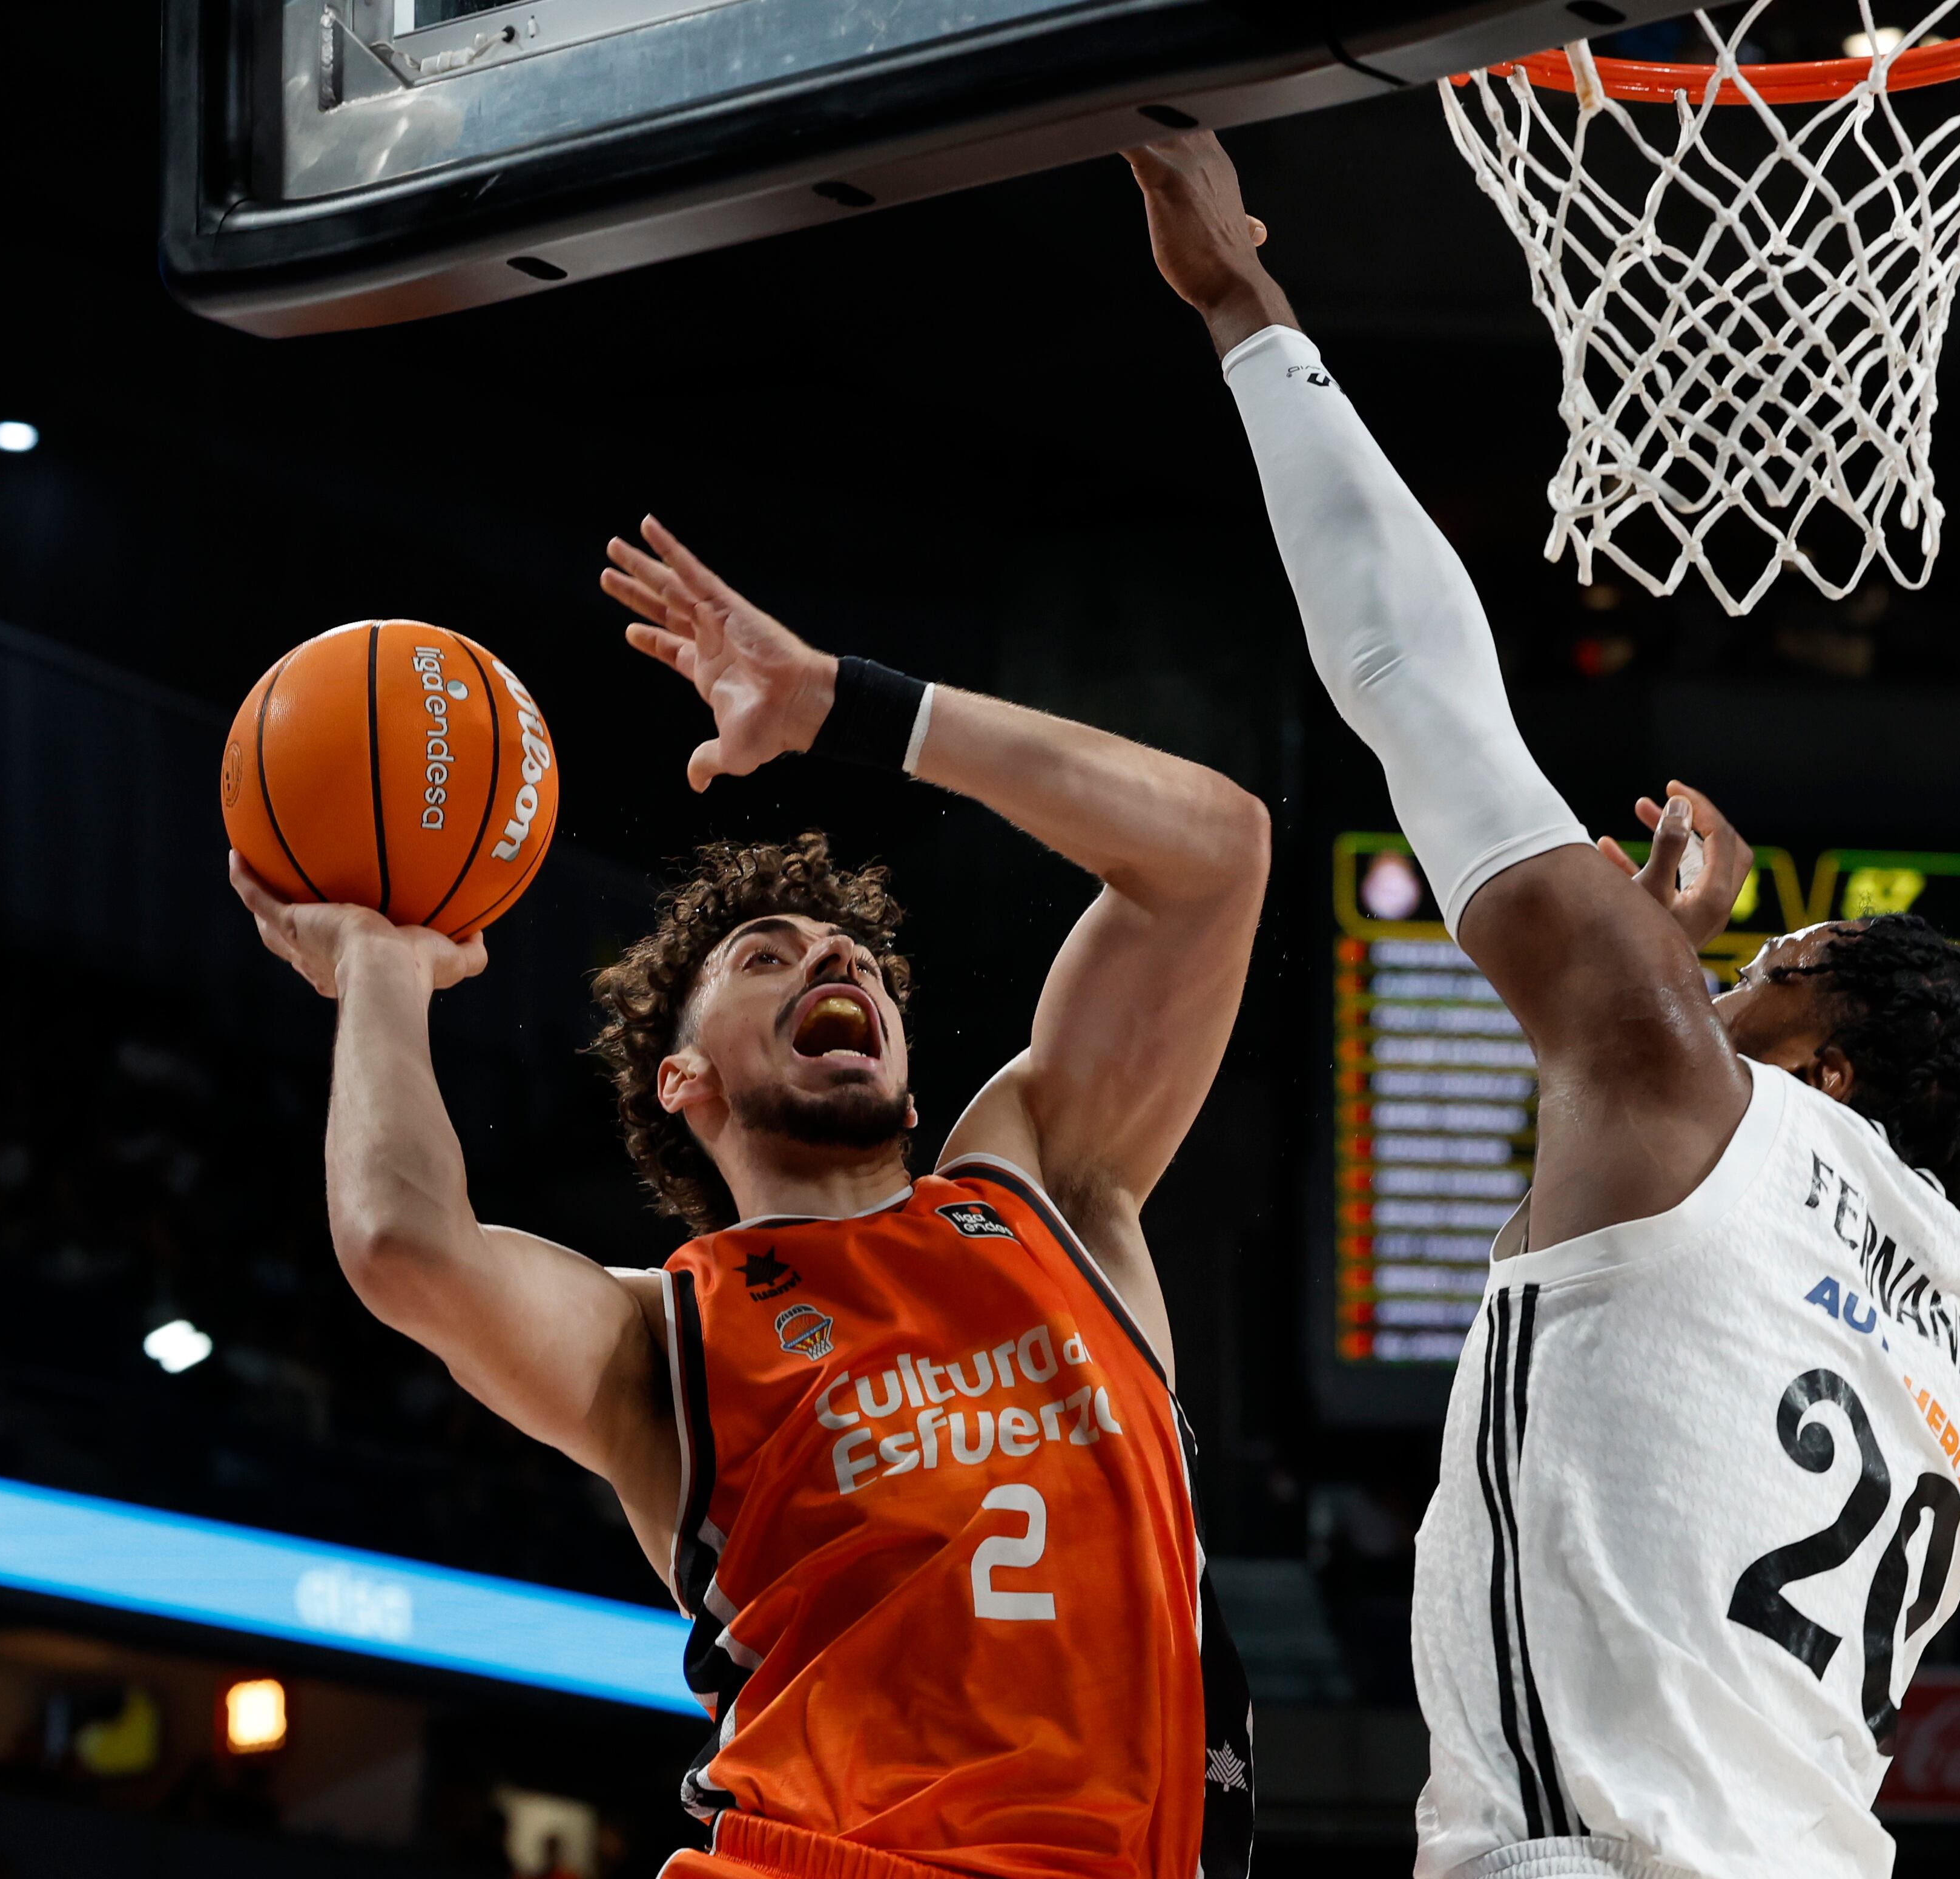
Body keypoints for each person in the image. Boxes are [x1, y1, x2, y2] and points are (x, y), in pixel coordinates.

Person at [1126, 134, 1960, 1879]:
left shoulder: (1695, 1102)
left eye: (1763, 972)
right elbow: (1641, 1334)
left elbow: (1409, 673)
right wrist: (1672, 993)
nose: (1715, 983)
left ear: (1832, 1067)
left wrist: (1244, 303)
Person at [226, 515, 1270, 1879]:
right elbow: (402, 1242)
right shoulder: (660, 1341)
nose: (834, 960)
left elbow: (1214, 856)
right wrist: (378, 967)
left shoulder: (1043, 1189)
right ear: (684, 1080)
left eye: (857, 959)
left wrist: (847, 704)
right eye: (767, 957)